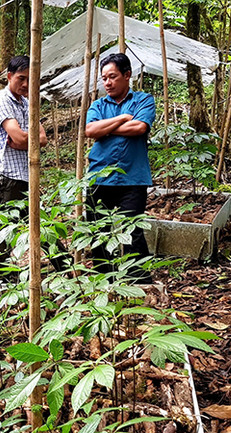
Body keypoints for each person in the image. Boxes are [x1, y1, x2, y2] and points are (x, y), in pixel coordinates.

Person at [0, 55, 69, 272]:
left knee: (37, 224)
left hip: (25, 176)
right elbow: (22, 138)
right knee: (4, 229)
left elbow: (41, 139)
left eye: (30, 79)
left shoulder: (27, 103)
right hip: (9, 178)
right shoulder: (1, 102)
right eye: (21, 78)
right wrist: (25, 140)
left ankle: (65, 267)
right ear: (9, 77)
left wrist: (25, 140)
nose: (25, 84)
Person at [85, 53, 156, 283]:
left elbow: (139, 128)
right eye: (104, 78)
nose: (107, 83)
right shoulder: (97, 104)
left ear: (127, 75)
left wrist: (106, 128)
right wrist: (123, 118)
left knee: (133, 230)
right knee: (98, 232)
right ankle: (103, 281)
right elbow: (90, 131)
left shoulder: (144, 100)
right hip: (99, 177)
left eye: (112, 77)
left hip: (132, 178)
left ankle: (140, 282)